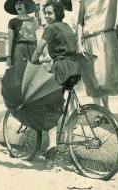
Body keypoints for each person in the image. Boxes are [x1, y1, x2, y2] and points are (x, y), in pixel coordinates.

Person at [31, 1, 80, 158]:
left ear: (57, 14)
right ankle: (67, 138)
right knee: (64, 104)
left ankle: (52, 144)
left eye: (49, 13)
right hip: (74, 67)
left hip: (61, 68)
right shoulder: (66, 26)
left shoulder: (51, 28)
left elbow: (39, 49)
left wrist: (32, 63)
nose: (46, 16)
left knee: (48, 104)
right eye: (45, 13)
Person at [77, 0, 118, 112]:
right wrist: (79, 43)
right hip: (88, 41)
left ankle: (105, 108)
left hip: (104, 40)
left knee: (102, 79)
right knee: (92, 80)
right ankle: (100, 111)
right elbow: (80, 22)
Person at [4, 0, 39, 78]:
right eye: (16, 4)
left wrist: (41, 53)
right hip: (19, 49)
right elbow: (10, 41)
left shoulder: (34, 20)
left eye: (21, 3)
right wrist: (9, 57)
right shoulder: (12, 22)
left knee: (33, 74)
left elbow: (39, 37)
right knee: (20, 73)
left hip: (32, 48)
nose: (18, 6)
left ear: (25, 5)